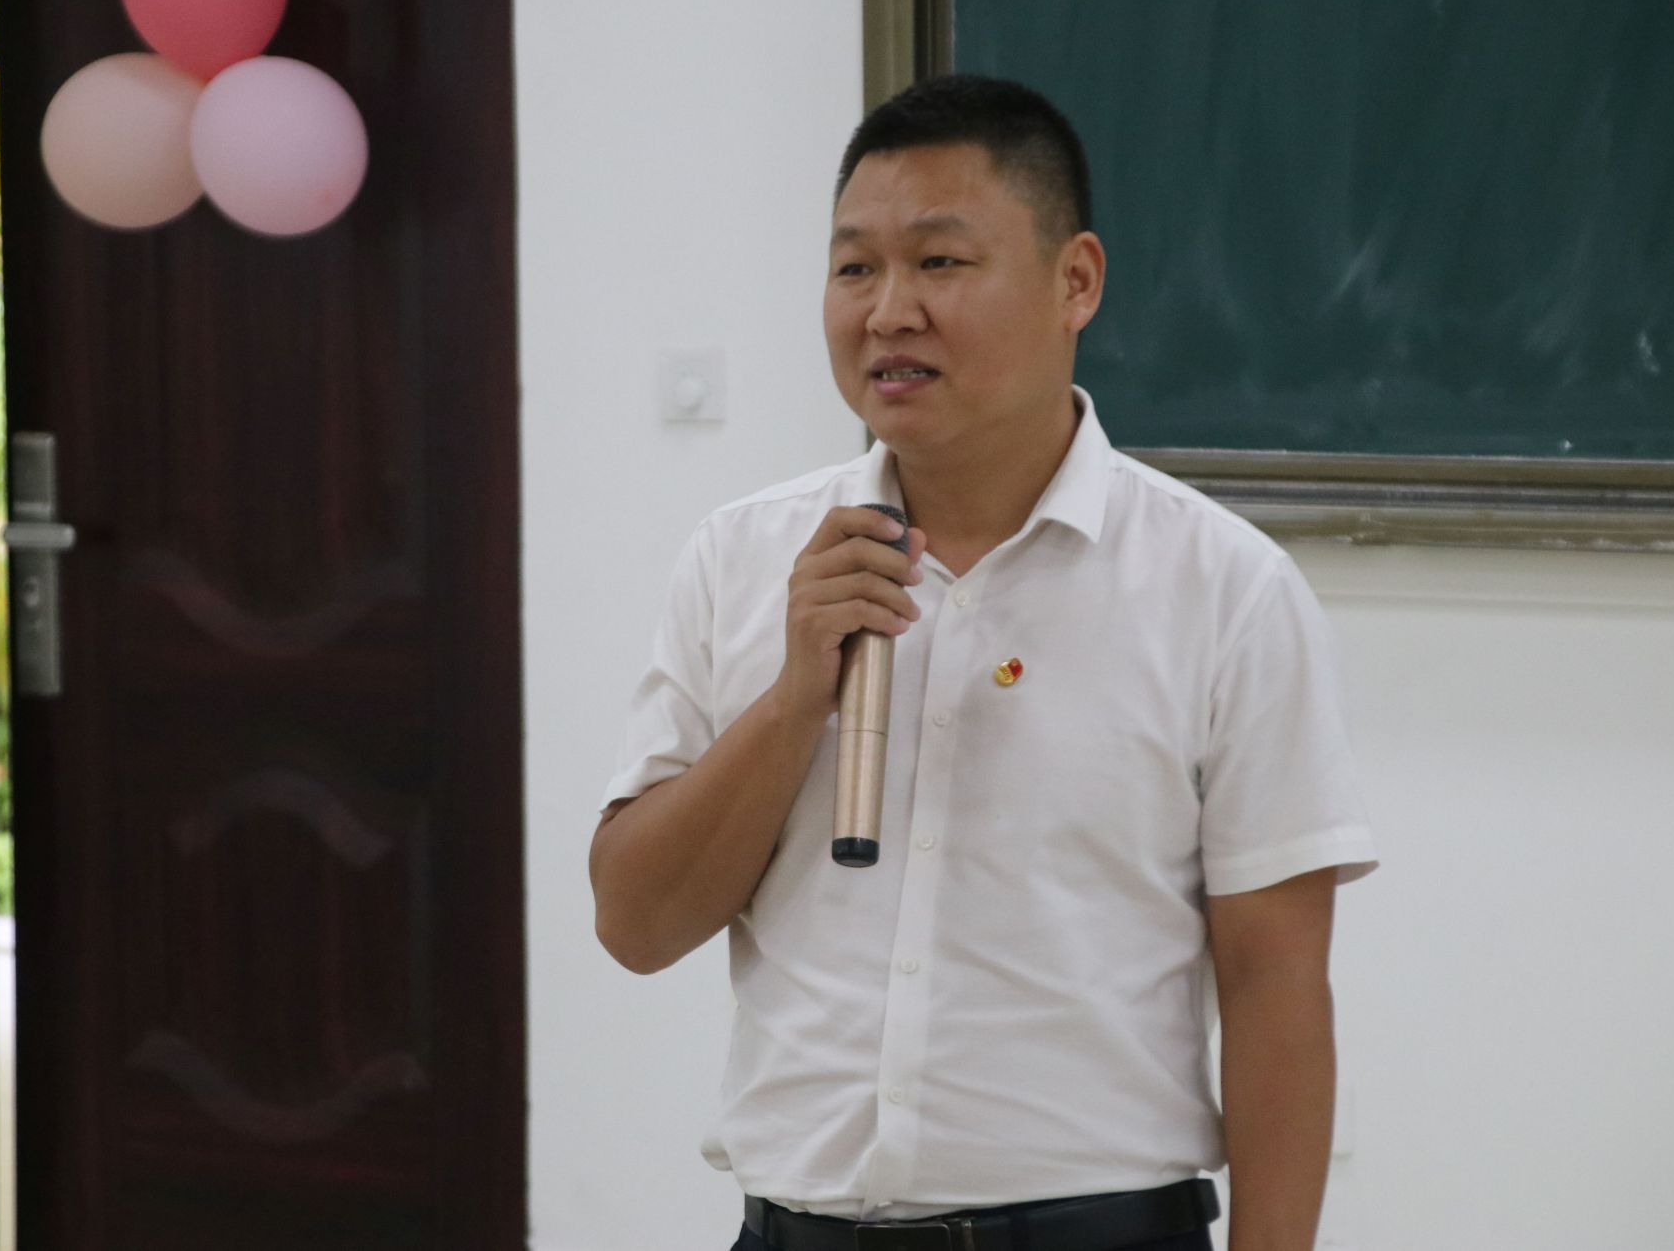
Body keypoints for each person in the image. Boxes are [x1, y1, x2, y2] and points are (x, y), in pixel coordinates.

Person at [589, 74, 1379, 1251]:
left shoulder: (1221, 589)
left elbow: (1275, 989)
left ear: (1075, 282)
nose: (887, 312)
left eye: (939, 263)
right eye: (853, 268)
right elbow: (635, 925)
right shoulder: (745, 556)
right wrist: (795, 694)